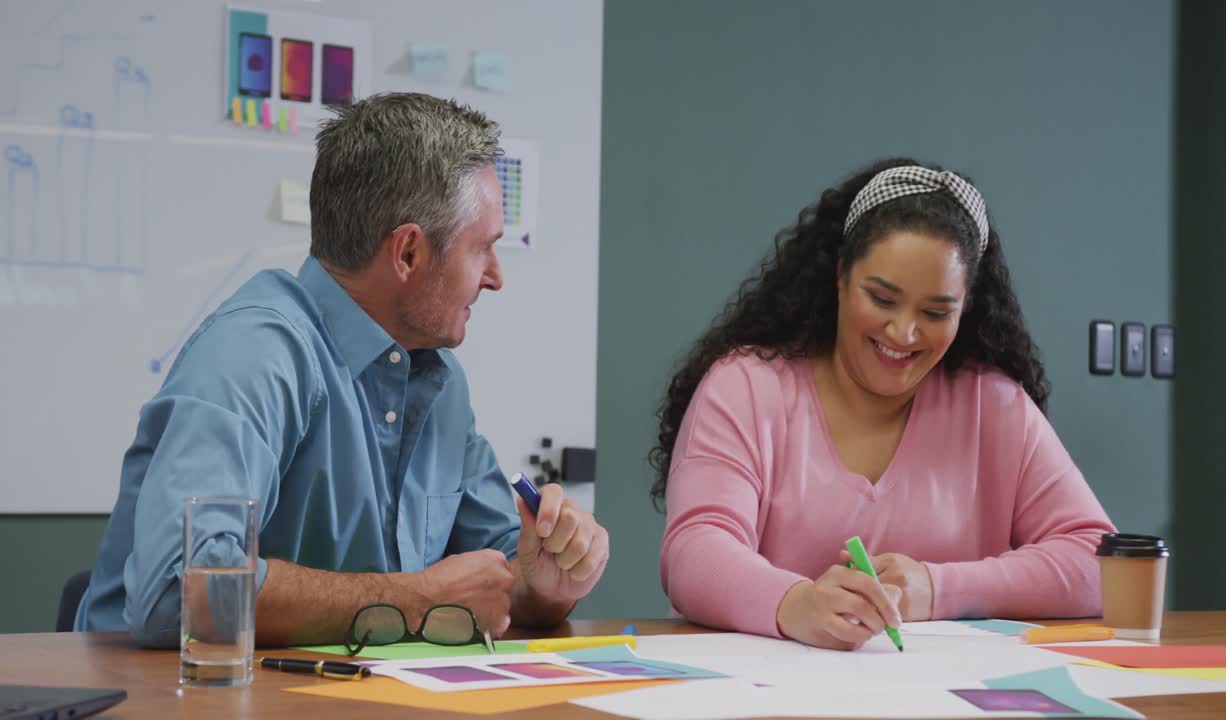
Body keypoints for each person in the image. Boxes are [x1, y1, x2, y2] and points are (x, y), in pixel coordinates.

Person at [76, 93, 609, 647]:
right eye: (483, 250)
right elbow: (177, 592)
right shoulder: (254, 353)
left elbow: (498, 579)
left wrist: (544, 584)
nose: (496, 277)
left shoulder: (439, 380)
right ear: (407, 253)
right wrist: (417, 600)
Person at [652, 159, 1115, 651]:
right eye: (882, 298)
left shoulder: (994, 405)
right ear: (840, 276)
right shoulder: (745, 387)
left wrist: (939, 588)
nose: (904, 333)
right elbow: (694, 553)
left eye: (936, 312)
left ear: (967, 308)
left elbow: (1100, 564)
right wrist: (795, 604)